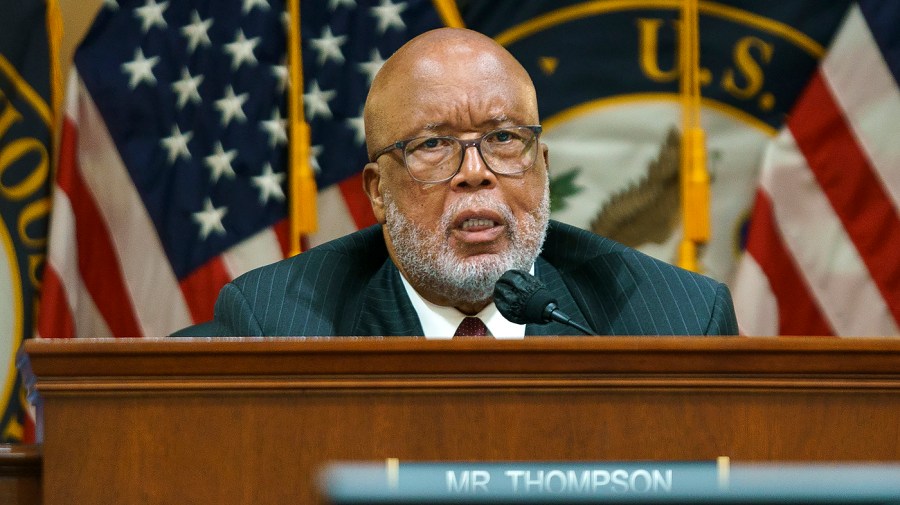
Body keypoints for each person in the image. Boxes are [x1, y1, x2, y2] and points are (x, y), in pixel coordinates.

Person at [206, 28, 738, 337]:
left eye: (504, 139)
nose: (476, 173)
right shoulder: (278, 324)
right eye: (433, 146)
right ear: (376, 192)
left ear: (543, 165)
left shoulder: (676, 321)